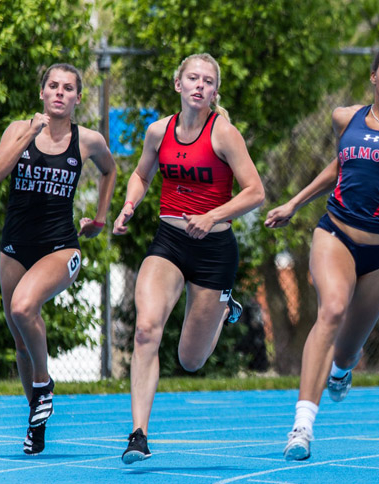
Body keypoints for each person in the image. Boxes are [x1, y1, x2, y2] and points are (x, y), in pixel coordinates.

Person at [265, 18, 379, 461]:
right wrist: (294, 203)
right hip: (334, 234)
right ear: (374, 75)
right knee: (330, 309)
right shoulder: (344, 117)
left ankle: (342, 370)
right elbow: (341, 166)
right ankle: (302, 427)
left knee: (347, 350)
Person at [113, 53, 264, 464]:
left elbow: (255, 192)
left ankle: (222, 306)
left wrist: (212, 216)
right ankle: (138, 434)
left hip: (215, 249)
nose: (200, 85)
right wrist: (130, 204)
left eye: (208, 81)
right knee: (146, 329)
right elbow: (142, 174)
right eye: (193, 78)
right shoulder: (158, 131)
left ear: (215, 93)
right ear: (178, 84)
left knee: (191, 360)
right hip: (169, 242)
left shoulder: (224, 134)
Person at [0, 63, 117, 455]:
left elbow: (109, 171)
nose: (60, 93)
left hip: (61, 246)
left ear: (78, 98)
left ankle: (43, 386)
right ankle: (36, 422)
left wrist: (100, 219)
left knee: (25, 308)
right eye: (53, 86)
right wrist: (30, 132)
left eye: (68, 88)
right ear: (42, 93)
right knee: (21, 341)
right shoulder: (18, 130)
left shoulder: (88, 140)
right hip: (15, 247)